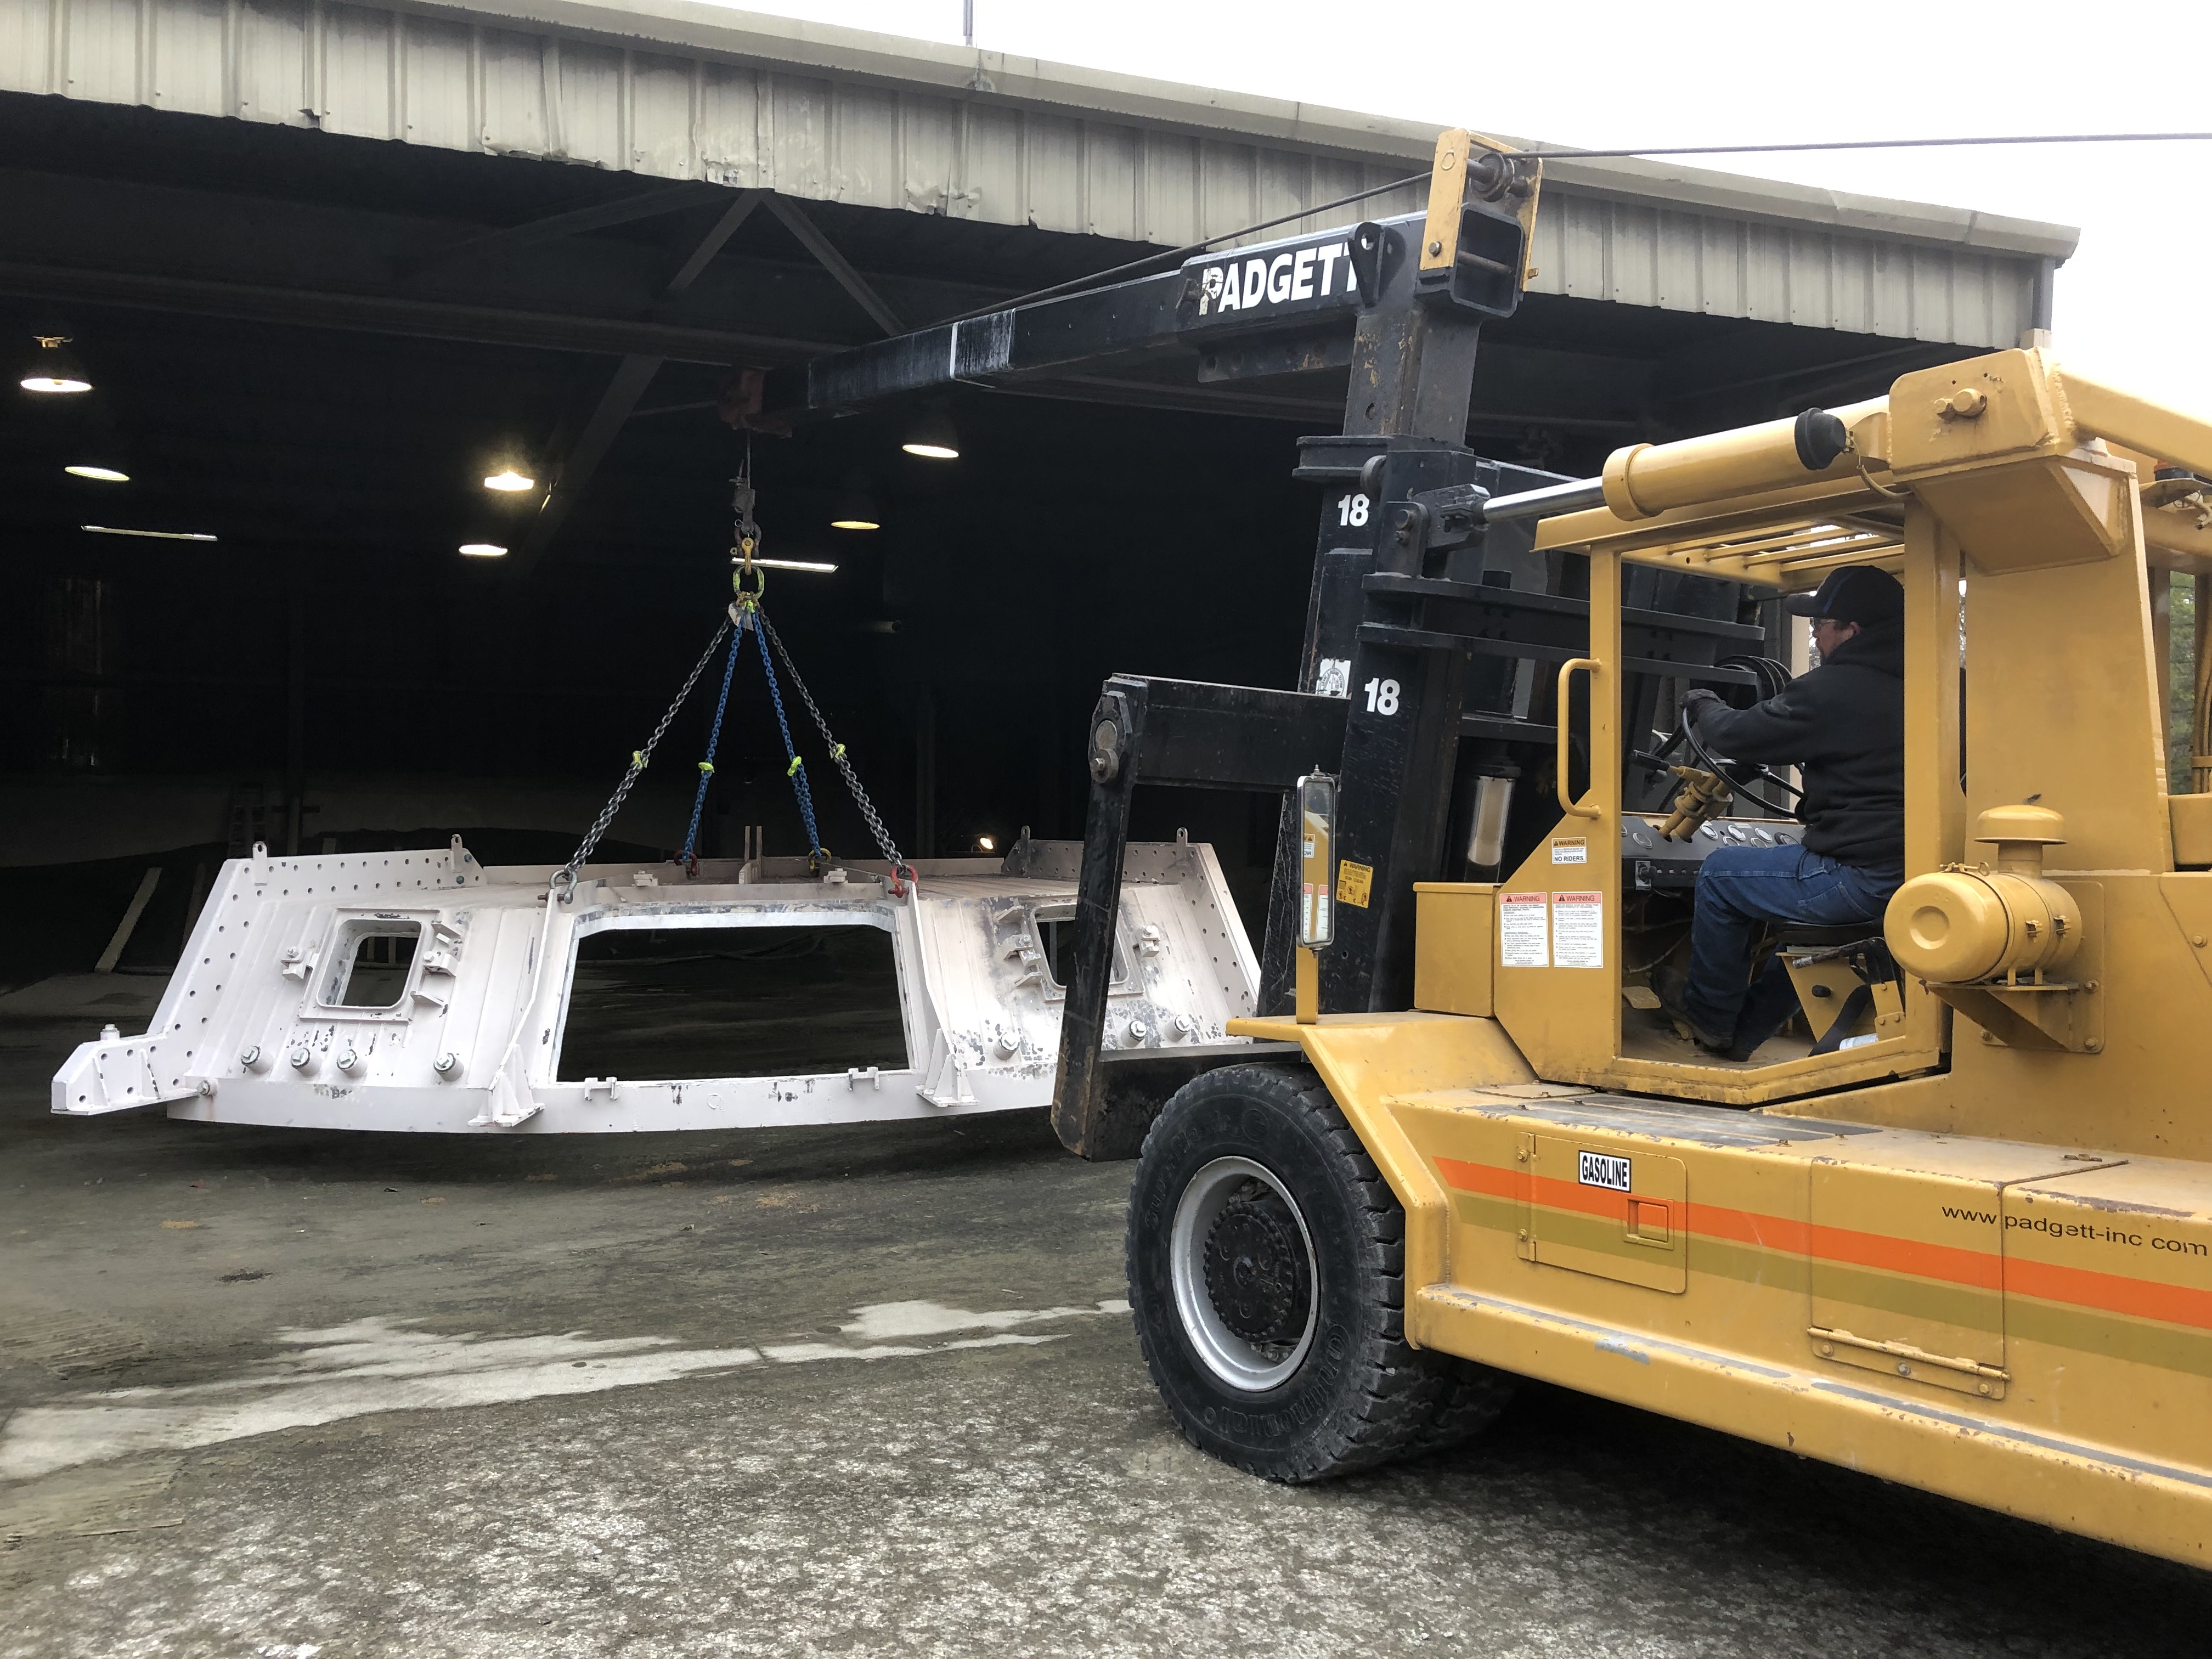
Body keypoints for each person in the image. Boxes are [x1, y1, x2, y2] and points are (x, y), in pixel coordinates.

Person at [1671, 565, 1905, 1060]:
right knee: (1804, 943)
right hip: (1918, 876)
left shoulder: (1835, 688)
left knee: (1718, 874)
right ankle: (1737, 1040)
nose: (1817, 635)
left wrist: (1703, 703)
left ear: (1852, 631)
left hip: (1860, 877)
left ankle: (1708, 1019)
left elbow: (1736, 734)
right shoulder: (1943, 682)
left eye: (1823, 624)